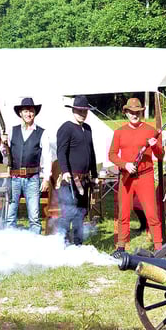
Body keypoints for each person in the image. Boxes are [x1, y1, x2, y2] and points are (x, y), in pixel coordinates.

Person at [108, 97, 163, 253]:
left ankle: (159, 247)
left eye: (137, 112)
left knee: (152, 213)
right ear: (126, 112)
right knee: (123, 213)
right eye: (131, 112)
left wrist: (155, 146)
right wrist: (125, 165)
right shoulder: (119, 132)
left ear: (141, 112)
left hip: (145, 176)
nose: (134, 115)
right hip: (126, 176)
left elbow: (160, 155)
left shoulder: (150, 130)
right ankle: (121, 247)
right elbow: (112, 155)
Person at [0, 97, 52, 233]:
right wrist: (3, 143)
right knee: (10, 216)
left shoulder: (42, 132)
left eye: (31, 111)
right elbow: (5, 154)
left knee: (34, 218)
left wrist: (46, 178)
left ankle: (34, 249)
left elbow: (47, 157)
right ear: (20, 114)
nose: (29, 114)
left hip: (32, 178)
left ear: (34, 113)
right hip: (14, 178)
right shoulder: (12, 131)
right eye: (26, 111)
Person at [56, 96, 98, 245]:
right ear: (73, 110)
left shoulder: (87, 128)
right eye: (79, 111)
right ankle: (63, 243)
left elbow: (91, 152)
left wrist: (94, 174)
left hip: (85, 180)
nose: (82, 113)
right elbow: (61, 152)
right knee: (68, 213)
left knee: (81, 212)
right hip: (70, 180)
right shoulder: (66, 128)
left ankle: (78, 244)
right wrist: (65, 171)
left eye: (85, 111)